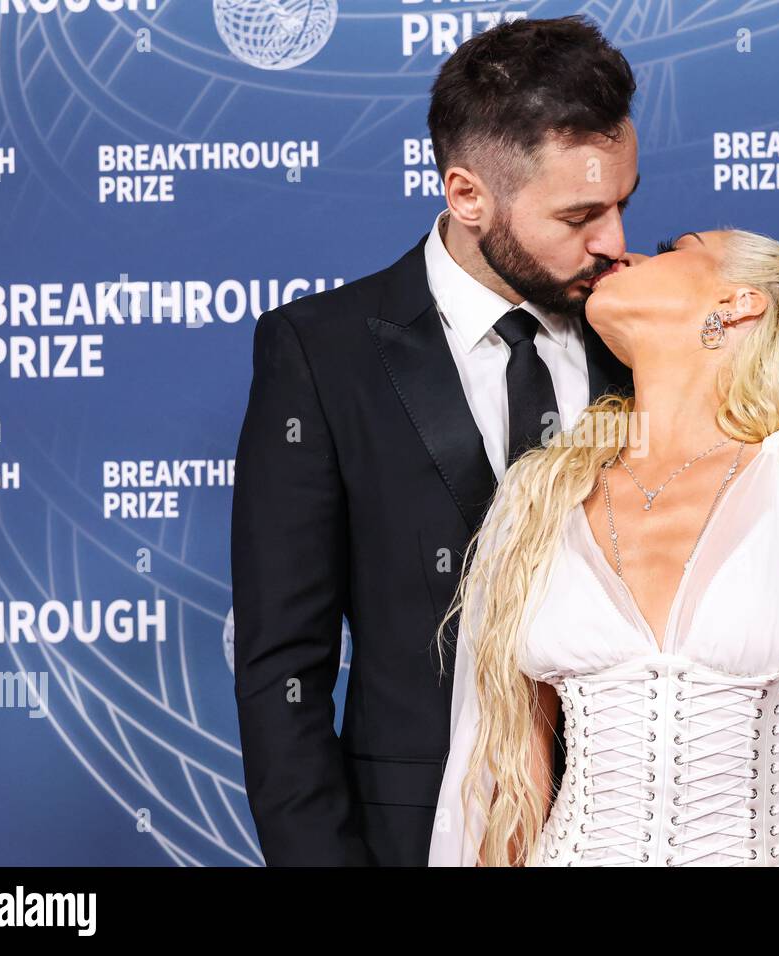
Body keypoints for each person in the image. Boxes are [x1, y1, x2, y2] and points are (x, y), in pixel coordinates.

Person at [427, 228, 779, 866]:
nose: (624, 252)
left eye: (675, 247)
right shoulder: (542, 496)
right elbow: (516, 780)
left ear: (739, 303)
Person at [231, 16, 636, 866]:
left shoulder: (646, 335)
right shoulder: (320, 352)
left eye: (622, 204)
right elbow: (283, 669)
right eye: (579, 214)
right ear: (467, 196)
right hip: (412, 836)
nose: (614, 244)